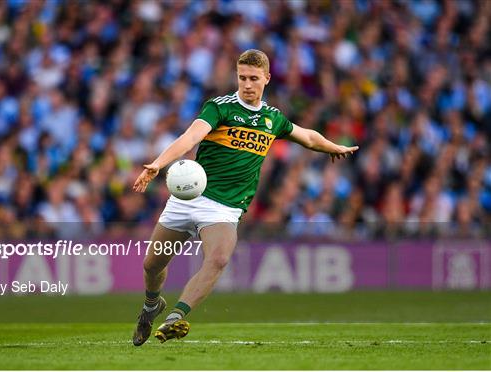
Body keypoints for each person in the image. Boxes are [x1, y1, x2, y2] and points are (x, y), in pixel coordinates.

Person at [131, 49, 359, 345]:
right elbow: (190, 138)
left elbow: (308, 137)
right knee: (152, 265)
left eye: (253, 78)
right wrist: (158, 164)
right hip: (188, 198)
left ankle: (176, 316)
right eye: (242, 78)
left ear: (267, 78)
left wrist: (333, 146)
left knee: (219, 258)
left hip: (225, 208)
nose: (247, 84)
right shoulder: (220, 107)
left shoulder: (272, 119)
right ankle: (151, 306)